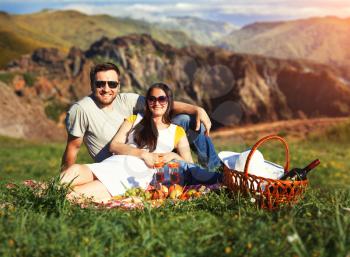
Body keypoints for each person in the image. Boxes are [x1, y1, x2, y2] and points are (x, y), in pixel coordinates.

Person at [60, 83, 220, 203]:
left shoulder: (176, 131)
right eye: (152, 99)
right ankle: (46, 191)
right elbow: (114, 145)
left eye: (162, 99)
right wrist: (143, 154)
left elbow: (189, 166)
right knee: (74, 170)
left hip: (135, 174)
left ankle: (48, 198)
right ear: (147, 102)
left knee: (78, 192)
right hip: (115, 162)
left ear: (169, 101)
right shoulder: (135, 119)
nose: (157, 103)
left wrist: (172, 155)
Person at [61, 62, 221, 172]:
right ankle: (205, 175)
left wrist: (196, 109)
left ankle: (215, 170)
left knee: (186, 120)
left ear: (118, 84)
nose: (106, 88)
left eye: (112, 84)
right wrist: (65, 180)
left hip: (149, 150)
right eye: (100, 84)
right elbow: (73, 148)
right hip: (119, 163)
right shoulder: (81, 109)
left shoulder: (127, 100)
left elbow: (159, 103)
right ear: (91, 85)